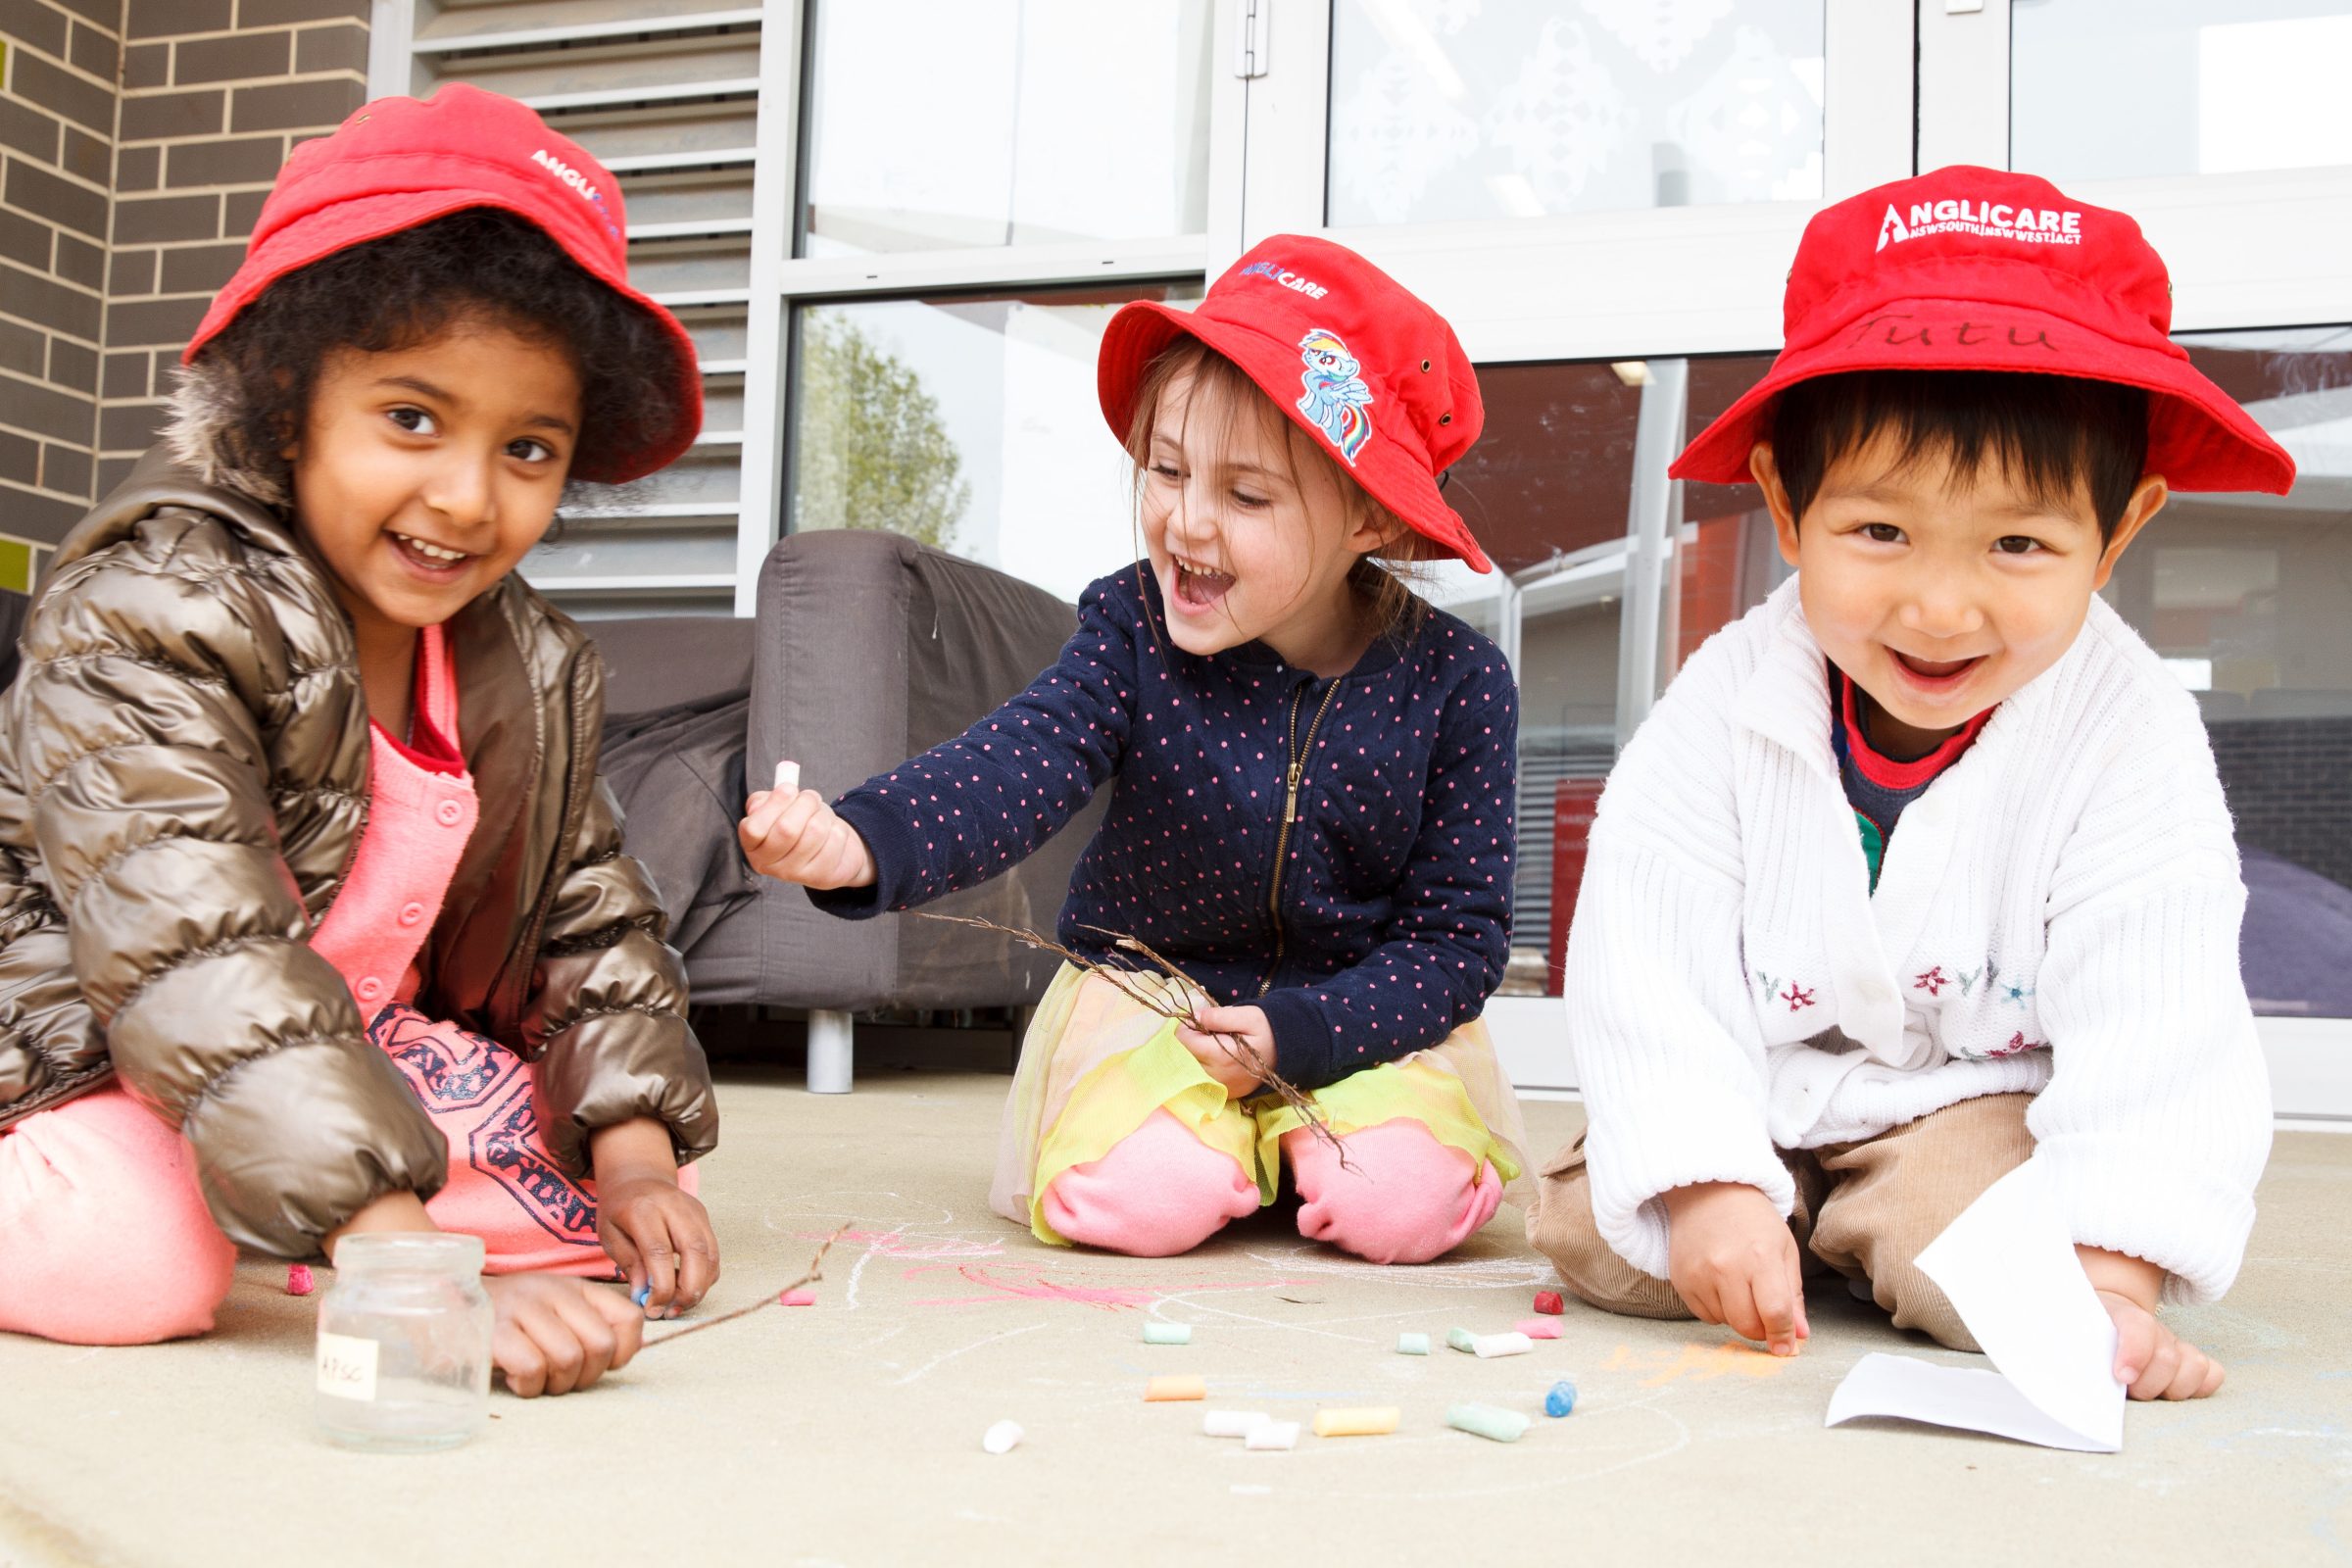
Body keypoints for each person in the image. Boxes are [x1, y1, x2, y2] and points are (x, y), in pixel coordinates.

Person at [0, 86, 720, 1395]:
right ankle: (260, 1199)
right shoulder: (157, 602)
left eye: (529, 448)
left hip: (317, 1035)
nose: (465, 496)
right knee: (135, 1261)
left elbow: (584, 916)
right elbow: (192, 949)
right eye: (411, 418)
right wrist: (395, 1257)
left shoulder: (525, 662)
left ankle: (286, 1187)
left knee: (555, 1217)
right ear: (287, 399)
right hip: (71, 1033)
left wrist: (633, 1151)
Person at [1527, 168, 2290, 1401]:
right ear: (1784, 501)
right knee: (1591, 1232)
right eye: (1880, 533)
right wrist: (1707, 1182)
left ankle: (1876, 1232)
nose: (1939, 608)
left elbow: (2162, 1016)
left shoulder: (2127, 730)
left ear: (2123, 530)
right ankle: (1784, 1213)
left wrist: (2112, 1274)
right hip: (1766, 1093)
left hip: (1966, 1106)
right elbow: (1652, 947)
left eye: (2020, 545)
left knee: (1986, 1278)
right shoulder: (1728, 695)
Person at [742, 237, 1528, 1263]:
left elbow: (1454, 942)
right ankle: (1217, 1150)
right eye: (1165, 470)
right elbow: (1016, 762)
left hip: (1355, 1007)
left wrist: (1303, 1033)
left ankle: (1289, 1142)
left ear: (1370, 517)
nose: (1185, 521)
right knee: (1141, 1201)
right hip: (1152, 1000)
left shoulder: (1460, 687)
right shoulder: (1131, 629)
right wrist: (861, 841)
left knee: (1402, 1209)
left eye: (1247, 496)